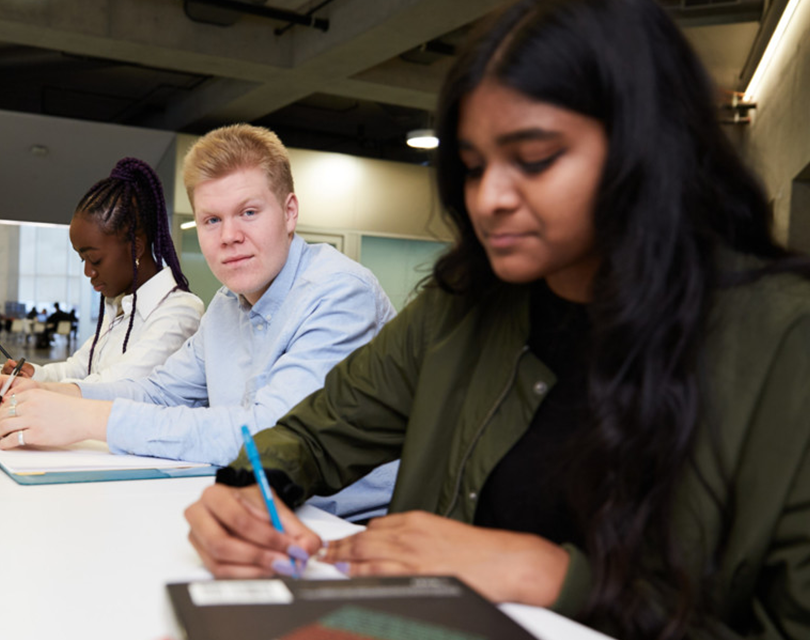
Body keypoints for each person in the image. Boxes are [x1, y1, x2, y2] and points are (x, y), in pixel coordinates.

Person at [183, 1, 810, 638]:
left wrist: (551, 577)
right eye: (475, 167)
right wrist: (247, 490)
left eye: (534, 158)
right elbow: (315, 433)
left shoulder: (784, 340)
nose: (489, 198)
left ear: (644, 147)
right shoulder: (458, 306)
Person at [0, 125, 399, 521]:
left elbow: (268, 435)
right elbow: (159, 390)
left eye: (249, 212)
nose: (229, 236)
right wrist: (54, 392)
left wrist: (86, 419)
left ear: (289, 213)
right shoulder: (224, 307)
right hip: (261, 509)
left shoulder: (340, 294)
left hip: (352, 528)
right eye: (211, 220)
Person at [0, 157, 204, 383]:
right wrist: (36, 374)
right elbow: (80, 368)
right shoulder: (119, 306)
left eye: (95, 259)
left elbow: (115, 385)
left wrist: (41, 390)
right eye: (83, 260)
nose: (88, 272)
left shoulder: (180, 312)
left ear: (136, 248)